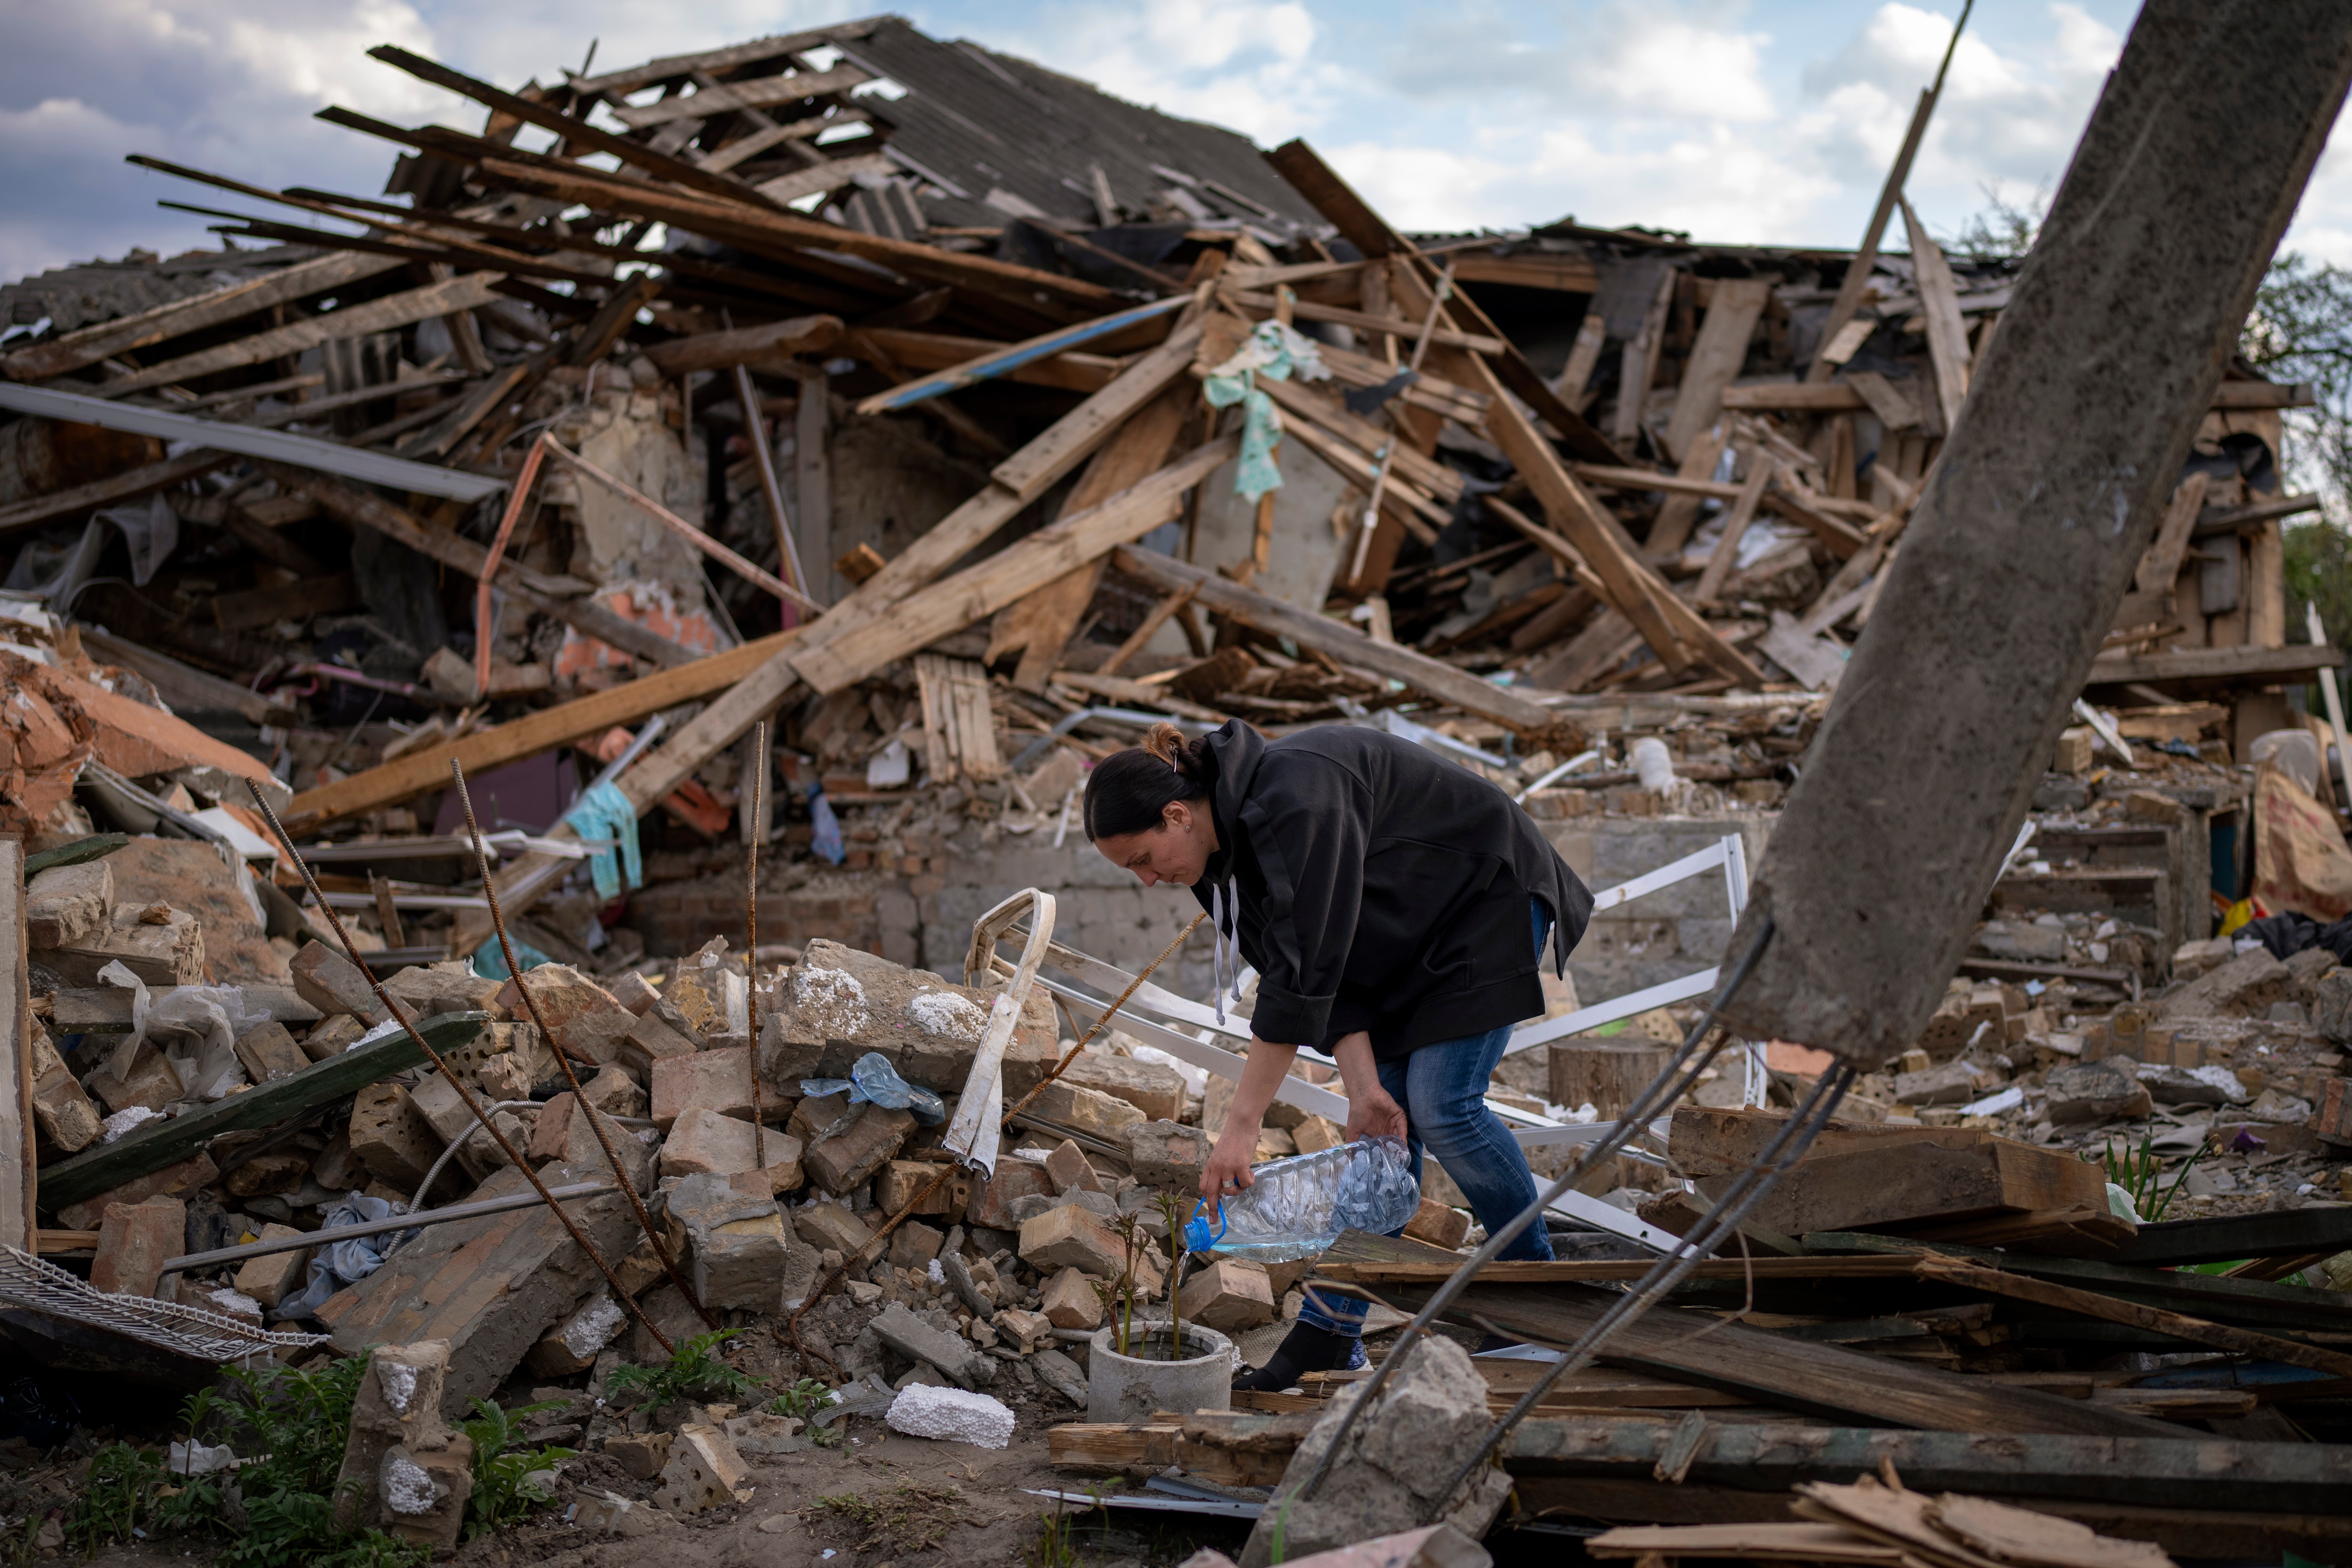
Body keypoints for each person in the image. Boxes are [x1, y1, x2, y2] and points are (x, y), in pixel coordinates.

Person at [1085, 718, 1593, 1389]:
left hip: (1482, 898)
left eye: (1142, 860)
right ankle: (1330, 1332)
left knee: (1443, 1103)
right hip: (1400, 936)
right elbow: (1313, 969)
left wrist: (1239, 1128)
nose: (1149, 879)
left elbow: (1302, 981)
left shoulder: (1299, 797)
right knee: (1381, 1135)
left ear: (1176, 814)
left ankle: (1539, 1299)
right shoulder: (1215, 866)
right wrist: (1362, 1088)